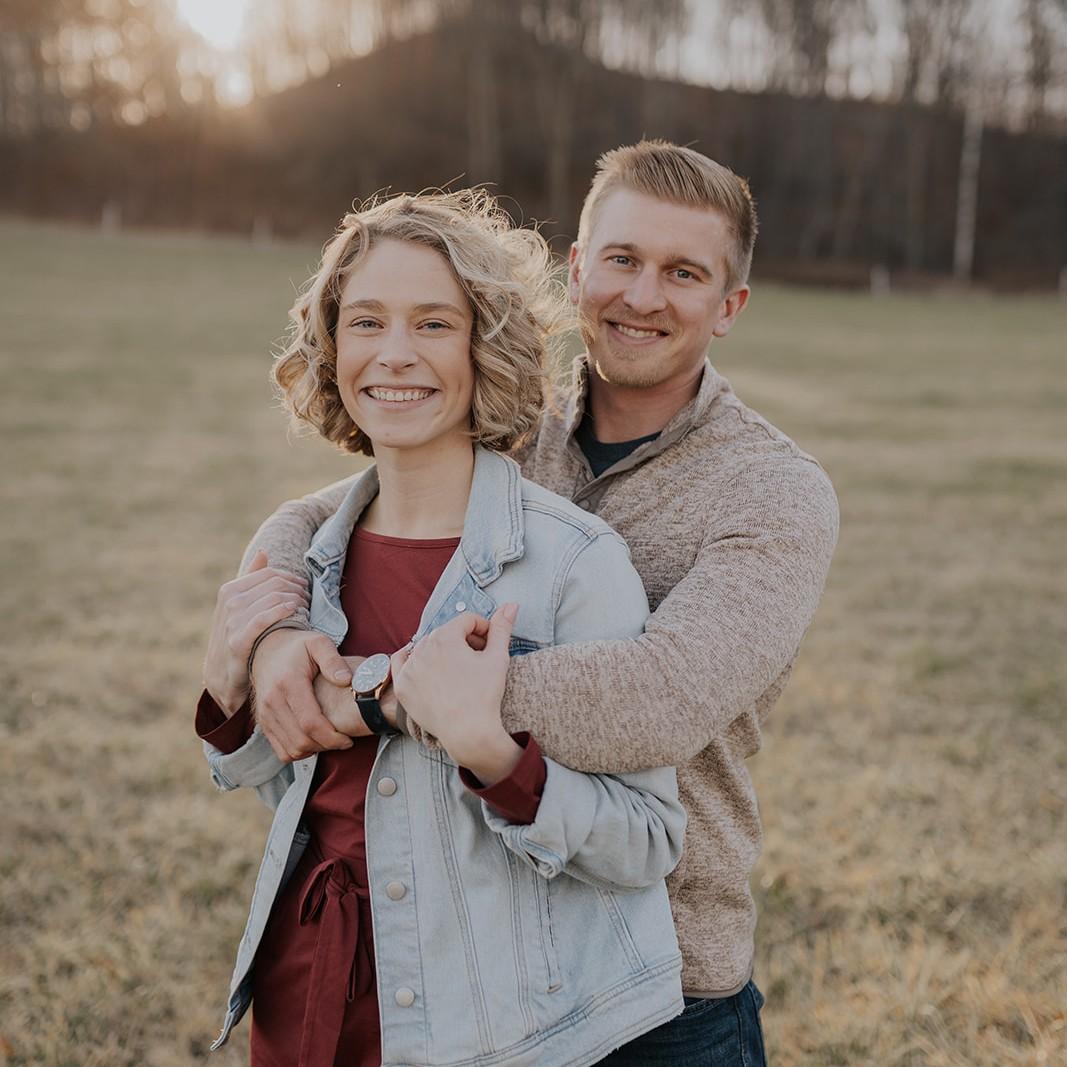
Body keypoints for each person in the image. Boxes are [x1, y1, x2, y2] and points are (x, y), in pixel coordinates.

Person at [213, 141, 840, 1065]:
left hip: (665, 984)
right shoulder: (506, 427)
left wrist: (379, 695)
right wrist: (271, 631)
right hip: (486, 957)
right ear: (576, 268)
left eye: (682, 272)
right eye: (621, 259)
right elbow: (326, 512)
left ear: (728, 305)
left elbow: (659, 697)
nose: (642, 295)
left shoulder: (771, 490)